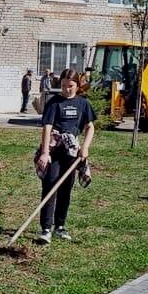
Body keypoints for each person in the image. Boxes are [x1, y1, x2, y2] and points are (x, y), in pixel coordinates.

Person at [35, 68, 96, 244]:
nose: (67, 89)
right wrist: (45, 153)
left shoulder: (83, 104)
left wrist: (85, 147)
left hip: (72, 152)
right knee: (50, 185)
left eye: (70, 86)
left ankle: (59, 227)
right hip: (54, 150)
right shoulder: (54, 103)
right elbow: (47, 127)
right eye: (63, 86)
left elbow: (90, 127)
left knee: (65, 188)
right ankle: (45, 229)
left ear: (77, 86)